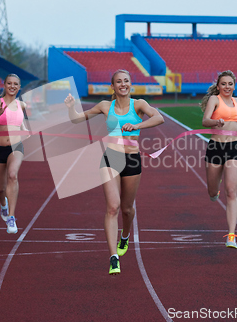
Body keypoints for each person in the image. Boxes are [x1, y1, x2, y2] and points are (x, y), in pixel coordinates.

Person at [64, 69, 164, 275]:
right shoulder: (104, 106)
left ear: (130, 84)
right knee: (113, 207)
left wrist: (137, 124)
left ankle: (125, 236)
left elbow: (159, 118)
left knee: (127, 210)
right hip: (111, 158)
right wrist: (70, 108)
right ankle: (113, 257)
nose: (123, 84)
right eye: (119, 81)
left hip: (132, 159)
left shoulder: (139, 105)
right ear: (113, 86)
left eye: (126, 81)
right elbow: (76, 119)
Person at [200, 70, 237, 249]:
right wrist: (216, 123)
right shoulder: (214, 100)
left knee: (231, 191)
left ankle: (231, 235)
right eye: (223, 84)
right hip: (216, 148)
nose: (227, 87)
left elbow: (236, 121)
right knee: (212, 191)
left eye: (230, 84)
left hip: (234, 147)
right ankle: (213, 193)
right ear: (218, 86)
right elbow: (205, 121)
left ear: (234, 86)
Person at [0, 74, 27, 234]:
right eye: (9, 83)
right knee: (0, 187)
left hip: (16, 147)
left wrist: (25, 130)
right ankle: (4, 206)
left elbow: (20, 122)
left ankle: (11, 217)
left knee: (12, 175)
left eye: (15, 84)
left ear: (19, 87)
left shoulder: (21, 105)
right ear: (4, 85)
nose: (12, 86)